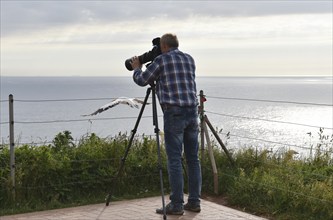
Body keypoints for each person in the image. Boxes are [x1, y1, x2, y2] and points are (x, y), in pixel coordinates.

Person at [130, 33, 202, 215]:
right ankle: (194, 202)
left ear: (162, 46)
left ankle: (176, 205)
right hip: (193, 112)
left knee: (175, 159)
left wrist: (137, 67)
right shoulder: (189, 59)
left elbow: (142, 80)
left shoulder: (161, 61)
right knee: (193, 159)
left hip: (174, 113)